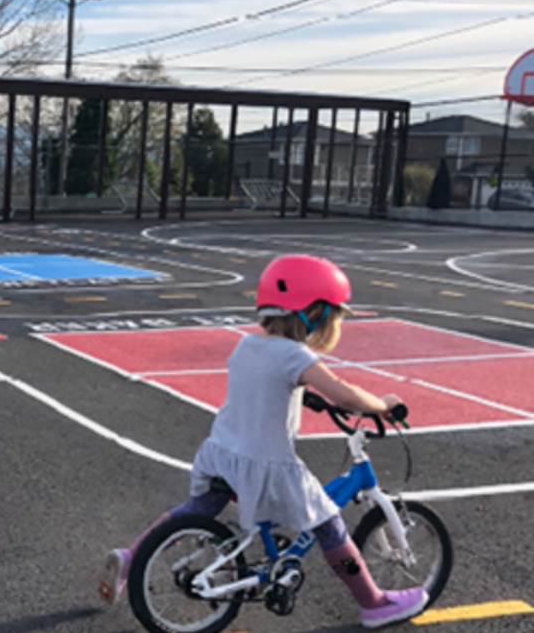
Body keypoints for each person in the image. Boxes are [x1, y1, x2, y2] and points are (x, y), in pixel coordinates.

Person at [98, 254, 428, 629]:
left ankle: (133, 556)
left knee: (199, 508)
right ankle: (374, 603)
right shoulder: (295, 355)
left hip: (223, 454)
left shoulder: (247, 344)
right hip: (265, 464)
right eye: (333, 316)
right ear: (314, 312)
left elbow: (265, 385)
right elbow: (344, 393)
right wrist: (383, 405)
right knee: (329, 524)